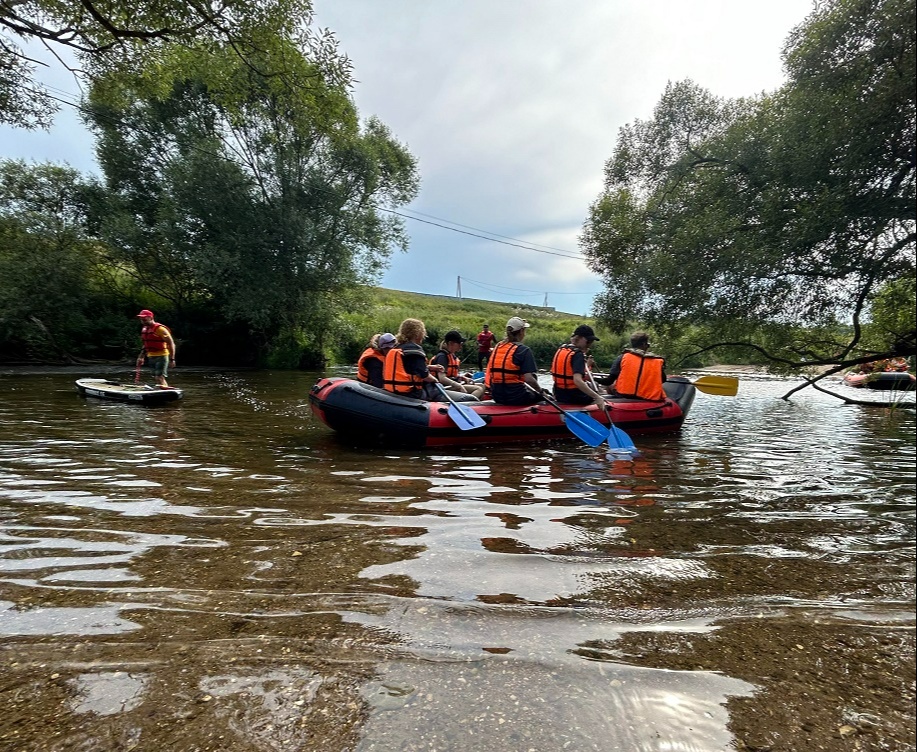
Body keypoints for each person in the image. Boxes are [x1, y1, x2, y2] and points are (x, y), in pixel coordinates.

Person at [383, 318, 464, 401]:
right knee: (466, 398)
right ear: (419, 334)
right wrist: (435, 380)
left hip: (393, 392)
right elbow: (424, 375)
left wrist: (430, 367)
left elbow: (410, 368)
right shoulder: (414, 350)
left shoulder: (397, 349)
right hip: (412, 394)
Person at [485, 316, 542, 405]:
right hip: (517, 397)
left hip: (497, 396)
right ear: (522, 331)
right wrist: (541, 392)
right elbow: (529, 379)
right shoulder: (524, 350)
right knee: (540, 394)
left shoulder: (497, 347)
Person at [550, 324, 608, 408]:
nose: (590, 344)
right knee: (595, 387)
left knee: (592, 385)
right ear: (579, 338)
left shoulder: (562, 349)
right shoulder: (577, 355)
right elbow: (577, 381)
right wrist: (597, 397)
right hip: (575, 396)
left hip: (559, 393)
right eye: (588, 341)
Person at [600, 331, 666, 401]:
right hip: (648, 398)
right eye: (647, 344)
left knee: (611, 385)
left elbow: (608, 381)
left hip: (624, 395)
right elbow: (663, 380)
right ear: (644, 344)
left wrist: (593, 380)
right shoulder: (657, 361)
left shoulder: (622, 357)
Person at [430, 330, 486, 399]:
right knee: (478, 389)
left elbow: (451, 375)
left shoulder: (450, 355)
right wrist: (458, 385)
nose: (461, 346)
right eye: (459, 343)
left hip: (451, 386)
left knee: (482, 386)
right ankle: (467, 405)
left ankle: (476, 405)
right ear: (450, 343)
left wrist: (462, 378)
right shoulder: (442, 357)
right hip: (443, 388)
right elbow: (442, 378)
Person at [135, 309, 177, 388]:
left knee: (159, 377)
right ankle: (164, 389)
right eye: (141, 319)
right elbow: (146, 344)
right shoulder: (145, 329)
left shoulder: (160, 329)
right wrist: (141, 357)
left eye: (145, 319)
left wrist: (172, 359)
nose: (142, 321)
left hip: (162, 355)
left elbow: (171, 344)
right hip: (151, 356)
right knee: (156, 377)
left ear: (151, 318)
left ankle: (165, 392)